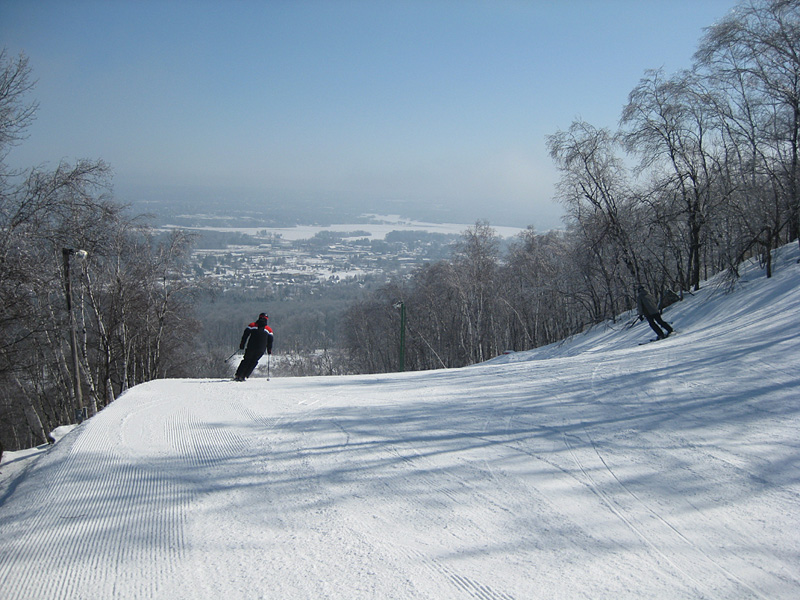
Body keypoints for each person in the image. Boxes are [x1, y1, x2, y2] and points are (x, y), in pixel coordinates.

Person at [234, 313, 273, 381]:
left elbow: (245, 335)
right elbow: (270, 341)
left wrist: (242, 345)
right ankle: (245, 376)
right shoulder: (269, 329)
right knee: (254, 361)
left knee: (246, 360)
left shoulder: (252, 325)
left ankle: (238, 375)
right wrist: (269, 350)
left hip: (251, 347)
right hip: (261, 349)